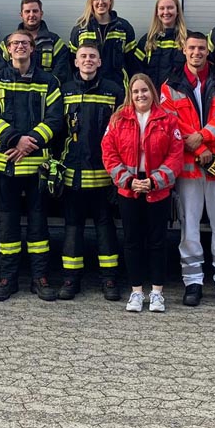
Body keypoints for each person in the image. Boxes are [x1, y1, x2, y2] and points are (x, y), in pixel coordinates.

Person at [0, 28, 65, 301]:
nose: (20, 47)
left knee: (39, 224)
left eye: (25, 43)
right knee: (7, 224)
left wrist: (30, 142)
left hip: (37, 166)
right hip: (5, 166)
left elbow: (55, 119)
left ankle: (40, 278)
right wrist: (16, 140)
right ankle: (8, 278)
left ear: (33, 49)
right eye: (15, 43)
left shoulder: (49, 82)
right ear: (7, 50)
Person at [161, 31, 215, 308]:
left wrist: (203, 136)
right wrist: (199, 148)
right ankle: (192, 282)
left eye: (201, 48)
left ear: (208, 51)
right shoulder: (170, 85)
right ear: (184, 50)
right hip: (188, 166)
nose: (197, 52)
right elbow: (170, 122)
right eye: (192, 48)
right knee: (189, 227)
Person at [102, 73, 185, 313]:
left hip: (157, 189)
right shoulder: (118, 119)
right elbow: (109, 153)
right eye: (136, 91)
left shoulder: (168, 119)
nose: (141, 95)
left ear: (153, 93)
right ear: (130, 94)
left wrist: (155, 181)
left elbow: (176, 155)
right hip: (129, 189)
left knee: (158, 241)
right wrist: (128, 181)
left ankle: (157, 293)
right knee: (132, 240)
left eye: (145, 91)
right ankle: (136, 292)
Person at [58, 43, 124, 301]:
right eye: (83, 56)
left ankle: (109, 280)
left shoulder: (114, 91)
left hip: (104, 173)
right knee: (72, 227)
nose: (87, 60)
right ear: (76, 62)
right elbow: (57, 131)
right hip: (72, 173)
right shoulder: (65, 91)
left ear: (99, 62)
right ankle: (71, 279)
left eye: (92, 57)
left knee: (105, 227)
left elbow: (122, 133)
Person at [68, 0, 137, 86]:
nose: (100, 2)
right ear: (91, 2)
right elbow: (72, 64)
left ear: (110, 0)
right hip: (89, 89)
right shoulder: (80, 29)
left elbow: (132, 63)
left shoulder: (124, 27)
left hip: (118, 88)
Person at [7, 0, 72, 86]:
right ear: (21, 15)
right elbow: (1, 68)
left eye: (35, 11)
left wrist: (50, 86)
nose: (31, 15)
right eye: (27, 11)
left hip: (44, 91)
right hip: (15, 90)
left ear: (41, 13)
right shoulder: (10, 41)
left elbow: (62, 68)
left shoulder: (53, 41)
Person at [133, 0, 188, 89]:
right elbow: (135, 69)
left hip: (177, 99)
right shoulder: (147, 41)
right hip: (152, 99)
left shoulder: (187, 40)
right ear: (157, 13)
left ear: (177, 11)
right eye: (162, 8)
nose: (166, 12)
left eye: (170, 8)